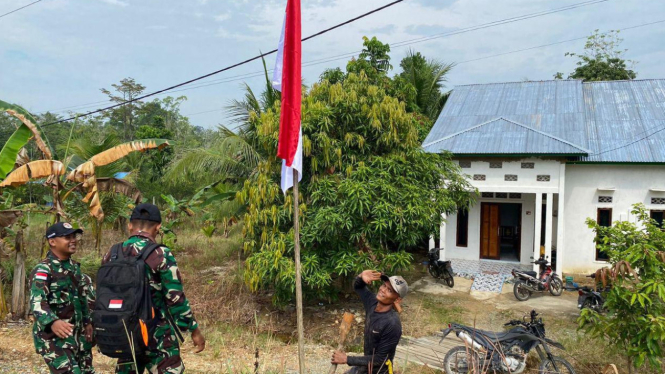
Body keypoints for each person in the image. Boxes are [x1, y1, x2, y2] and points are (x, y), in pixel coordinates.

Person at [102, 203, 205, 374]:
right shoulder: (160, 254)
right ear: (158, 227)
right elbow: (175, 298)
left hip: (124, 332)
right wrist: (193, 330)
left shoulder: (112, 253)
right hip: (157, 333)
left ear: (129, 225)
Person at [29, 222, 94, 374]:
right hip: (54, 338)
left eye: (74, 236)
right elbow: (37, 303)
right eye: (67, 237)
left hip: (77, 336)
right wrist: (53, 321)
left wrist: (87, 322)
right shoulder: (43, 270)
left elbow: (82, 299)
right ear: (52, 242)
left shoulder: (74, 269)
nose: (73, 240)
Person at [331, 270, 408, 374]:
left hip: (379, 371)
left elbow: (381, 359)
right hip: (365, 367)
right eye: (384, 285)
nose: (382, 290)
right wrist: (360, 277)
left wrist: (347, 359)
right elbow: (359, 287)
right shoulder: (372, 303)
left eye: (389, 290)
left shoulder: (392, 324)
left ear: (397, 299)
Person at [79, 273, 96, 374]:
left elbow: (92, 302)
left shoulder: (83, 278)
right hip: (79, 329)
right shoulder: (83, 277)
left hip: (84, 328)